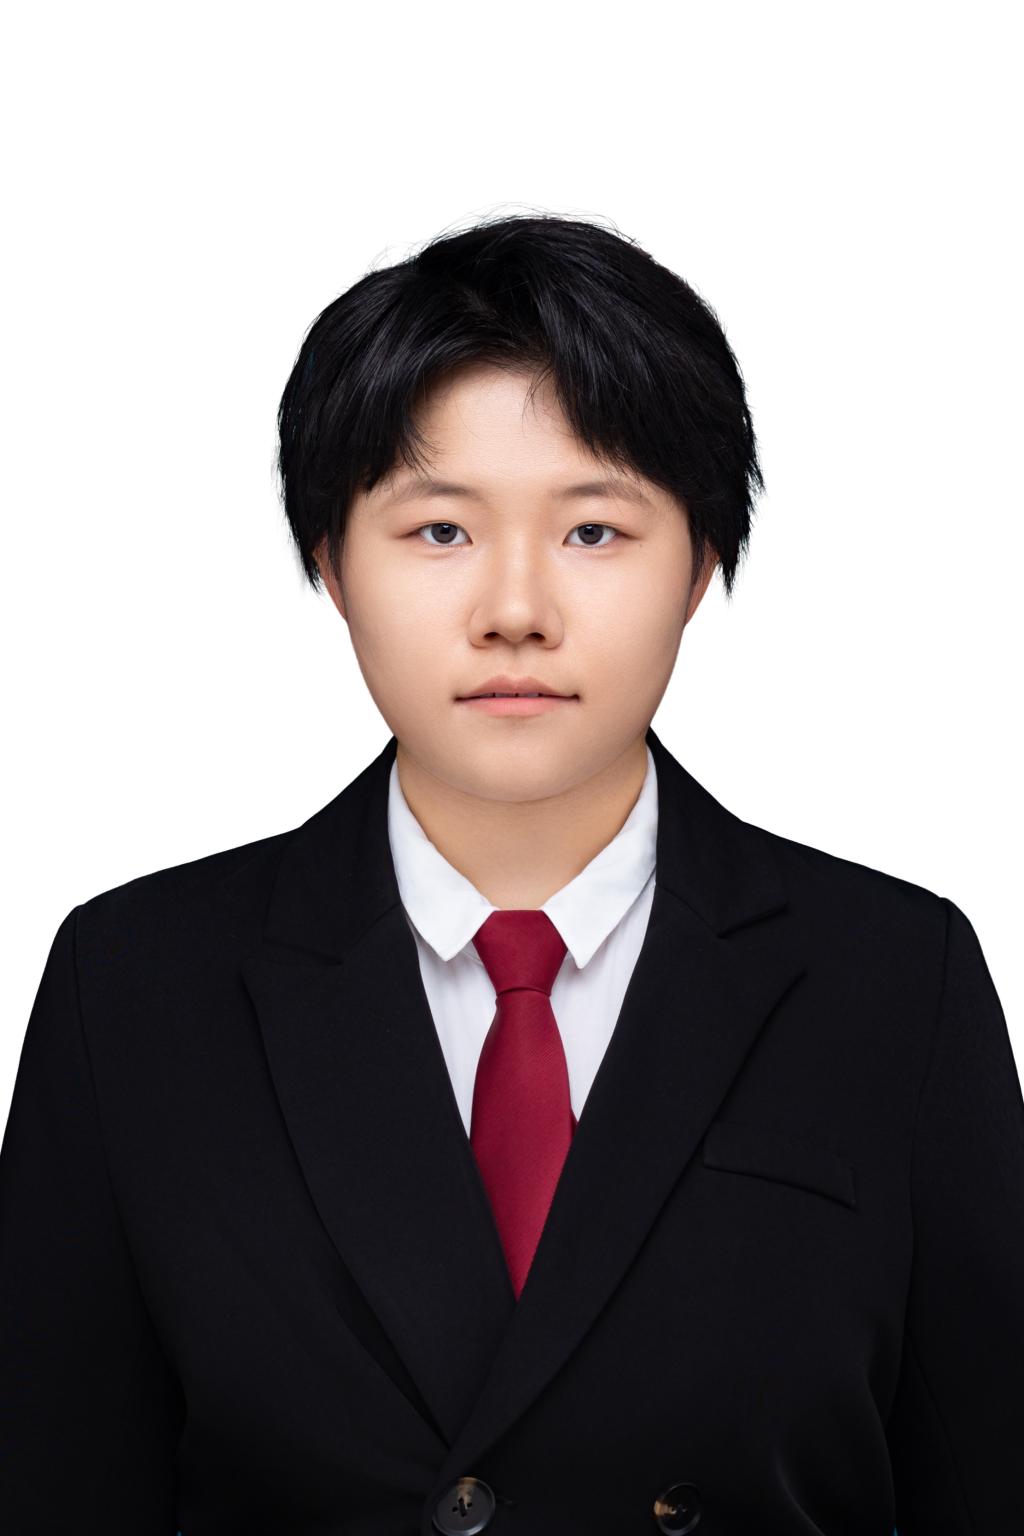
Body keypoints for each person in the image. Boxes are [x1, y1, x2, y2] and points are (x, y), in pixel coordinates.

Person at [1, 213, 1021, 1536]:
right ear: (330, 562)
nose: (517, 611)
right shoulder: (135, 987)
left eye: (595, 531)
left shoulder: (894, 979)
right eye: (439, 532)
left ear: (701, 563)